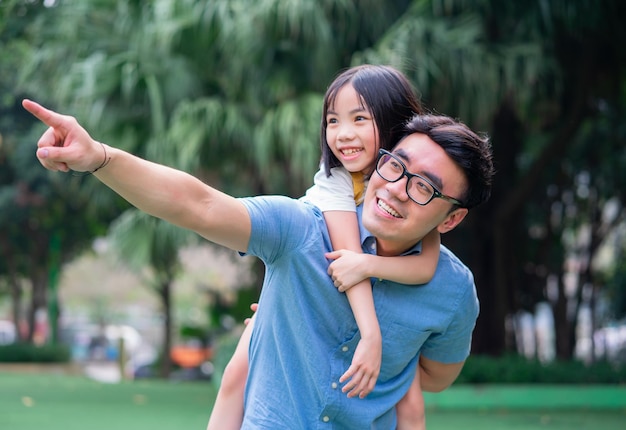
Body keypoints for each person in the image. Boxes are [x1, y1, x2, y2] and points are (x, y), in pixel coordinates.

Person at [23, 92, 494, 428]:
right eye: (395, 166)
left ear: (450, 220)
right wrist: (100, 158)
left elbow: (435, 375)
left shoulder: (452, 291)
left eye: (424, 187)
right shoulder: (302, 230)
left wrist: (390, 351)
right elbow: (198, 203)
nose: (396, 187)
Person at [208, 64, 438, 430]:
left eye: (359, 119)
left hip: (371, 309)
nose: (343, 135)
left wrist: (369, 268)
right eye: (333, 121)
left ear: (395, 120)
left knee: (408, 405)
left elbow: (425, 265)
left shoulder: (413, 184)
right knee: (237, 372)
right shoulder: (334, 179)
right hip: (310, 287)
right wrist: (370, 333)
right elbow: (348, 260)